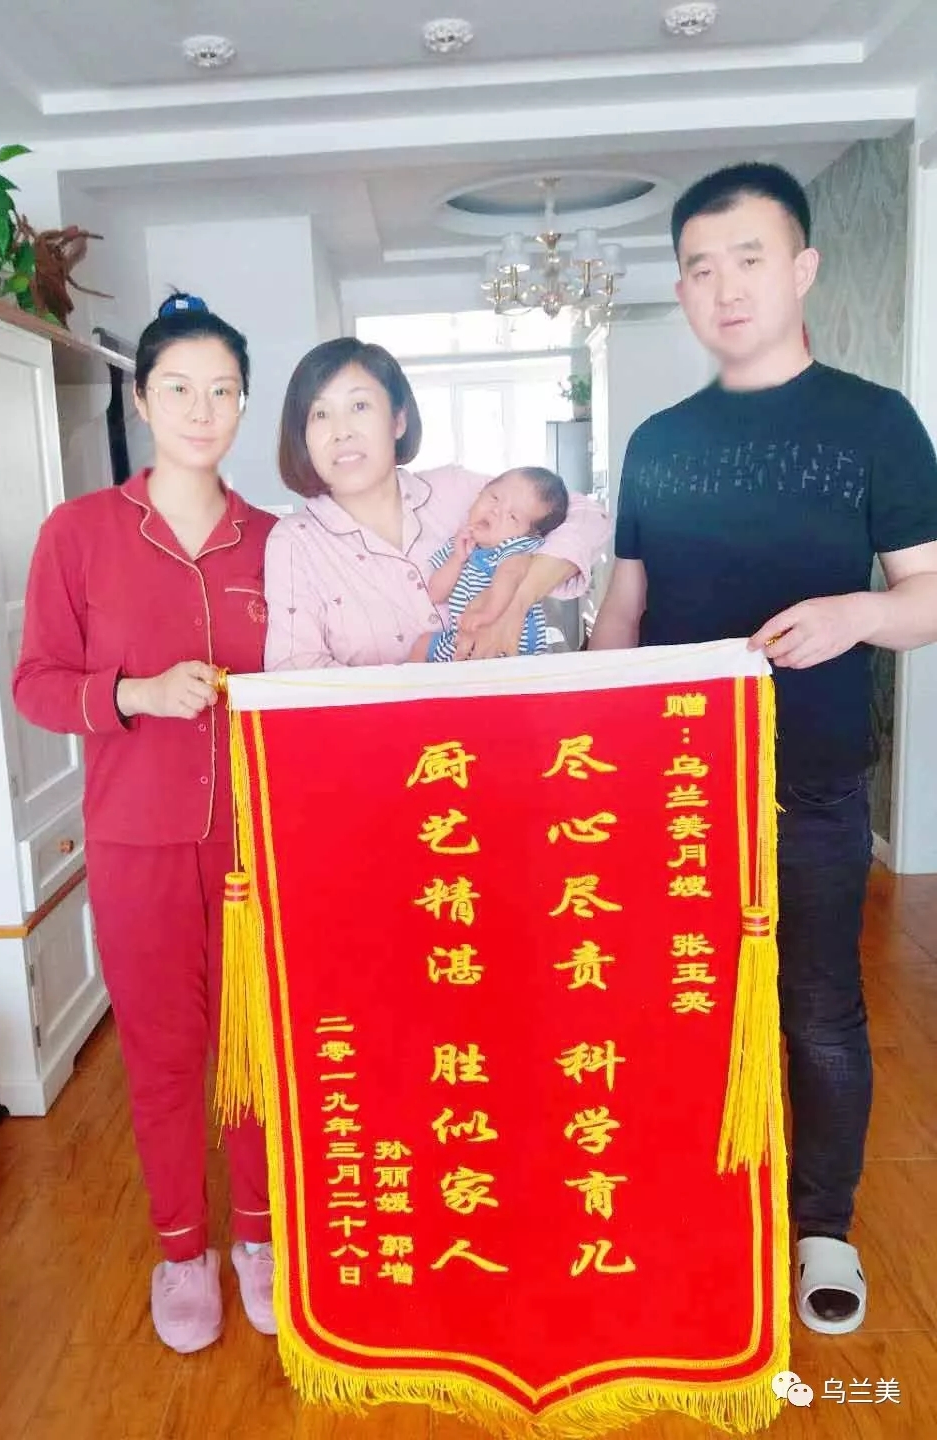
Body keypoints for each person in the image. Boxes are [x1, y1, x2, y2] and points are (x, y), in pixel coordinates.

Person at [589, 163, 937, 1335]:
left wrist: (857, 613)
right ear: (682, 290)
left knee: (818, 1006)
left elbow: (929, 591)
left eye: (749, 259)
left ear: (802, 269)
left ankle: (822, 1230)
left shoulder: (874, 422)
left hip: (813, 786)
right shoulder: (659, 442)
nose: (725, 287)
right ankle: (692, 1210)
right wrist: (584, 731)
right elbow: (624, 606)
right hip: (669, 785)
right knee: (673, 1002)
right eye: (700, 268)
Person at [13, 293, 278, 1354]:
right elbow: (37, 683)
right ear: (142, 398)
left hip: (263, 847)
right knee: (165, 1055)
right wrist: (132, 693)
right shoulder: (79, 534)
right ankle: (183, 1252)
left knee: (256, 1049)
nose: (201, 410)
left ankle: (257, 1238)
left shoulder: (277, 542)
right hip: (138, 840)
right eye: (179, 388)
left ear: (244, 403)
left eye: (222, 391)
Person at [264, 338, 609, 670]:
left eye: (359, 406)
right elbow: (296, 670)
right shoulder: (295, 542)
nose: (342, 431)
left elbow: (588, 516)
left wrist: (517, 601)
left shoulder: (454, 490)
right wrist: (425, 688)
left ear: (398, 421)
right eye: (320, 414)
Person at [411, 465, 569, 662]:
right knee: (423, 644)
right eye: (494, 497)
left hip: (512, 640)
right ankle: (411, 683)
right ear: (479, 494)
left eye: (513, 516)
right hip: (461, 638)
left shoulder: (515, 546)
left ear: (529, 534)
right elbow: (435, 594)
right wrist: (457, 560)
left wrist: (488, 613)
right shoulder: (458, 544)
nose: (496, 511)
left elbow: (510, 573)